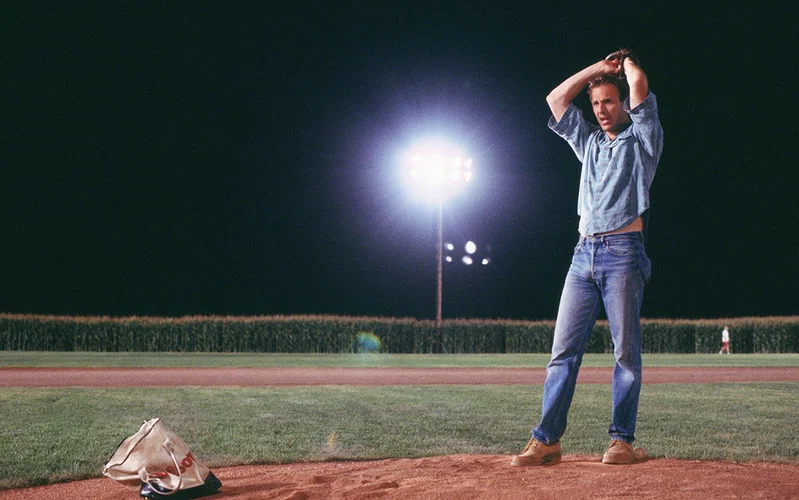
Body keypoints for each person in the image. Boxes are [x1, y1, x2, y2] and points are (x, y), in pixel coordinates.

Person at [511, 49, 664, 466]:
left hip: (623, 256)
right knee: (562, 352)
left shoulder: (642, 139)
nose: (601, 110)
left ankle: (621, 441)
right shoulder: (589, 142)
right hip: (583, 255)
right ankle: (547, 441)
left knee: (625, 355)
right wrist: (597, 71)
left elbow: (639, 88)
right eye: (596, 103)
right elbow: (556, 100)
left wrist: (628, 63)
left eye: (608, 101)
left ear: (623, 105)